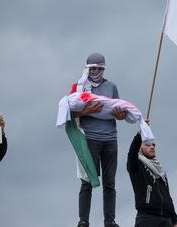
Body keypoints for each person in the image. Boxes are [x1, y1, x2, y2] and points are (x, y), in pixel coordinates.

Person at [72, 53, 127, 227]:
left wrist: (121, 115)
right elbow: (69, 113)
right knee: (87, 180)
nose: (95, 71)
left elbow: (120, 112)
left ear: (103, 68)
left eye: (99, 68)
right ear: (87, 68)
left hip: (110, 139)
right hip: (89, 139)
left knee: (110, 183)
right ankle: (83, 221)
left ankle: (110, 221)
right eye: (92, 68)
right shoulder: (79, 88)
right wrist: (86, 112)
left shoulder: (112, 87)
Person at [127, 131, 177, 227]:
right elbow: (132, 154)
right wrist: (139, 134)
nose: (152, 147)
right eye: (147, 144)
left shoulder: (161, 170)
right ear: (139, 147)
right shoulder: (136, 165)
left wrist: (175, 220)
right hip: (147, 218)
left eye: (153, 145)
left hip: (167, 220)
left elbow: (167, 196)